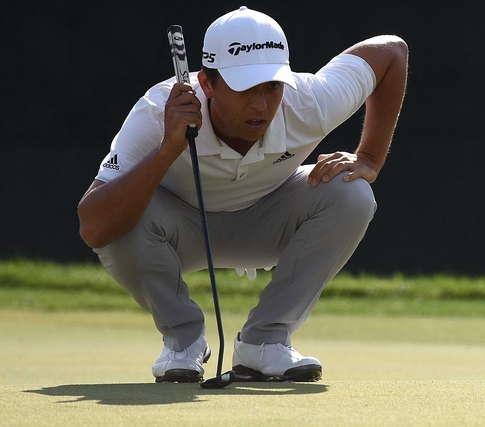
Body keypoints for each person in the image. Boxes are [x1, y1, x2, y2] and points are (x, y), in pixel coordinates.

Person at [77, 6, 408, 383]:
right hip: (176, 233)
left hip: (266, 223)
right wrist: (168, 148)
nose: (261, 104)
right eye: (244, 88)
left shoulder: (309, 101)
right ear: (207, 84)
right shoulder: (157, 112)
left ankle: (264, 343)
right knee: (124, 212)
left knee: (353, 193)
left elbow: (391, 52)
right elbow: (94, 225)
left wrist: (369, 157)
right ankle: (182, 343)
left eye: (272, 86)